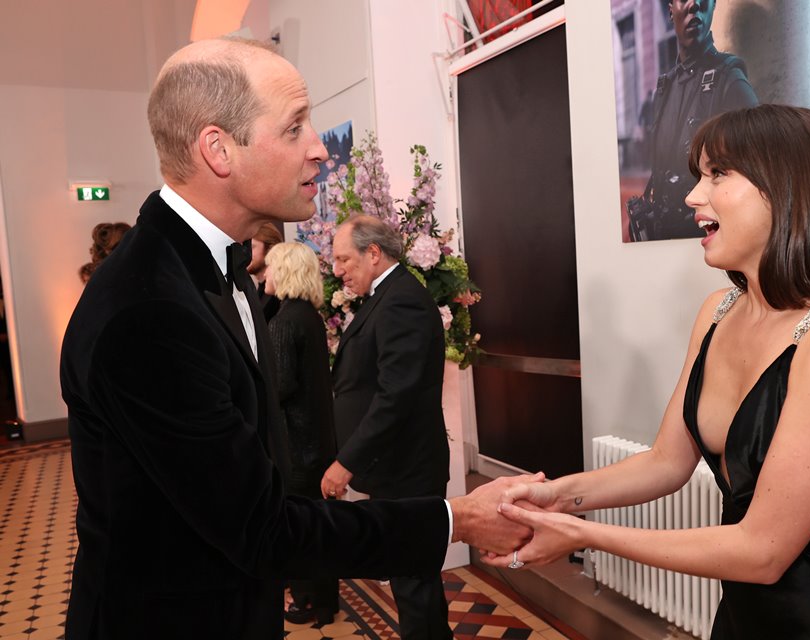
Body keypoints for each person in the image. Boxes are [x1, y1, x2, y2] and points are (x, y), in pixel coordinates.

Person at [60, 37, 537, 640]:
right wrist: (457, 521)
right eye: (294, 129)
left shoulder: (205, 276)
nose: (319, 150)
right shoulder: (148, 312)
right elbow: (262, 531)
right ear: (219, 150)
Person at [491, 105, 810, 638]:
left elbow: (762, 550)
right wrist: (560, 495)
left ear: (787, 188)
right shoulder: (719, 310)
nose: (693, 196)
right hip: (743, 613)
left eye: (717, 174)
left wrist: (583, 536)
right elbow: (667, 463)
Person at [322, 214, 453, 639]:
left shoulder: (401, 300)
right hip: (399, 468)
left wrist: (347, 461)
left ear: (373, 253)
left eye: (344, 259)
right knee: (410, 580)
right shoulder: (388, 295)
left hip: (408, 470)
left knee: (415, 584)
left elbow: (397, 395)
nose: (338, 270)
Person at [627, 0, 758, 242]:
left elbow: (758, 173)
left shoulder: (730, 80)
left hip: (706, 238)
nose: (694, 5)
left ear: (714, 5)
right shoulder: (664, 88)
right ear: (670, 9)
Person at [263, 241, 340, 625]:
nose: (265, 276)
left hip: (295, 447)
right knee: (318, 526)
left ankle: (307, 598)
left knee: (299, 529)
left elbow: (277, 387)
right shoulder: (308, 315)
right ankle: (324, 598)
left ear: (286, 272)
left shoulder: (283, 322)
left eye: (271, 268)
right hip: (318, 442)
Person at [250, 222, 284, 320]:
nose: (246, 253)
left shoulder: (279, 294)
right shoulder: (257, 291)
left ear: (270, 249)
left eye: (252, 247)